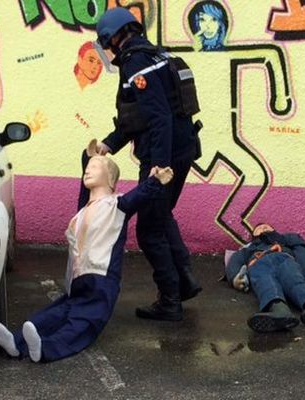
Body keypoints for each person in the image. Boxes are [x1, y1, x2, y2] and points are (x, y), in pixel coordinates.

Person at [0, 140, 174, 362]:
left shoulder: (117, 206)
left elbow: (139, 196)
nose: (88, 170)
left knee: (80, 320)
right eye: (88, 168)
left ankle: (45, 349)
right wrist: (88, 157)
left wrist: (155, 181)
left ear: (110, 179)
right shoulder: (82, 211)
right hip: (78, 279)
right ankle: (17, 342)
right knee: (63, 315)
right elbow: (82, 193)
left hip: (102, 278)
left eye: (96, 167)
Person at [93, 8, 202, 321]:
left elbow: (158, 117)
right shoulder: (157, 55)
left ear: (114, 36)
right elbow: (135, 118)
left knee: (149, 230)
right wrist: (109, 144)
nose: (108, 47)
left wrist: (159, 166)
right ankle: (184, 283)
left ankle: (170, 301)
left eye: (107, 41)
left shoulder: (137, 63)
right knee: (162, 216)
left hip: (162, 155)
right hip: (182, 149)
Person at [225, 223, 305, 333]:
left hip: (284, 258)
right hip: (258, 263)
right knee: (266, 284)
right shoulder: (249, 247)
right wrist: (236, 277)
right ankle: (279, 311)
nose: (263, 228)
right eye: (258, 229)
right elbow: (235, 260)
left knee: (295, 282)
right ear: (253, 235)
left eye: (267, 226)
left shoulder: (286, 239)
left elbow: (304, 253)